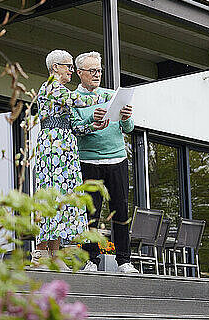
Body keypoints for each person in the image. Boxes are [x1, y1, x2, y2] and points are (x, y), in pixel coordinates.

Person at [32, 49, 111, 270]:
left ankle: (55, 255)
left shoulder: (60, 90)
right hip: (53, 148)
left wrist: (91, 126)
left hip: (65, 146)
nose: (70, 70)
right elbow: (77, 99)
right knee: (51, 195)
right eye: (67, 66)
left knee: (62, 199)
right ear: (55, 67)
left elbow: (74, 126)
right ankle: (40, 253)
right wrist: (110, 97)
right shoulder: (51, 86)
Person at [72, 51, 139, 274]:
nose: (97, 74)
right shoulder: (73, 100)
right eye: (92, 71)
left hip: (117, 159)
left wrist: (128, 117)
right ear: (80, 73)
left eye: (99, 70)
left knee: (120, 210)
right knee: (91, 212)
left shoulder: (112, 95)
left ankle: (124, 261)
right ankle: (91, 260)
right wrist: (92, 119)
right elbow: (76, 130)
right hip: (89, 161)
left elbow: (128, 129)